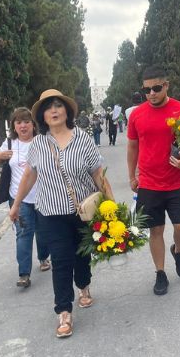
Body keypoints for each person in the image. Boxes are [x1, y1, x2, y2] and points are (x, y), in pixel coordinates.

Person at [9, 89, 113, 338]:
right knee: (61, 260)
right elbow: (29, 175)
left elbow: (98, 173)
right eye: (48, 108)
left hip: (83, 212)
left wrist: (111, 206)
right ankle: (64, 311)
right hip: (51, 213)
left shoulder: (83, 139)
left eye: (58, 106)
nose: (53, 111)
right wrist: (16, 204)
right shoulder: (37, 144)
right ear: (43, 117)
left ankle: (84, 286)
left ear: (67, 111)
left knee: (82, 255)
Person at [127, 65, 180, 296]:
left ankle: (178, 250)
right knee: (155, 230)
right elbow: (132, 146)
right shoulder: (137, 114)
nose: (151, 93)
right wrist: (132, 175)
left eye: (156, 88)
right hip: (149, 183)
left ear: (166, 85)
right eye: (146, 90)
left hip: (177, 181)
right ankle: (160, 273)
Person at [0, 107, 51, 289]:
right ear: (14, 126)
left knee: (42, 232)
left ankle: (43, 257)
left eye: (26, 122)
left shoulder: (42, 142)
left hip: (42, 196)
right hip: (18, 198)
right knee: (23, 234)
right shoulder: (10, 143)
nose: (23, 126)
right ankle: (24, 273)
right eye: (19, 123)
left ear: (33, 125)